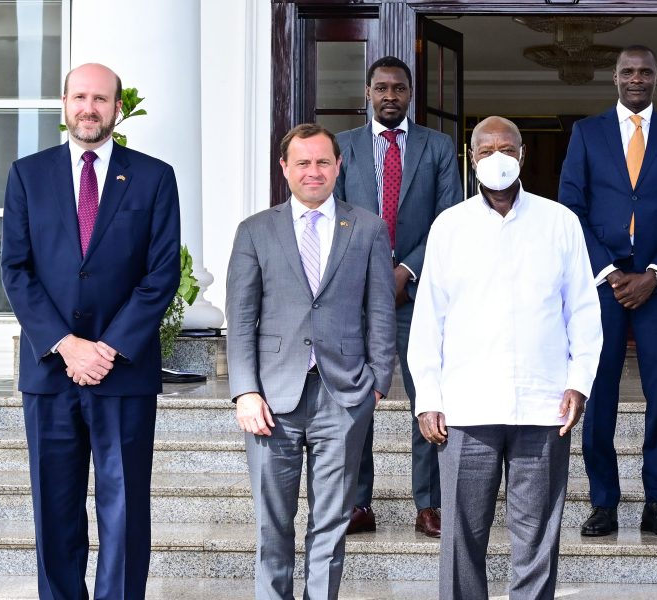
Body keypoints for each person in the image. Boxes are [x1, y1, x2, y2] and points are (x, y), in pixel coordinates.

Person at [1, 63, 181, 600]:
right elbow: (16, 269)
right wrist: (65, 344)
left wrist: (107, 348)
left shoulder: (153, 177)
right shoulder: (27, 175)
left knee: (124, 509)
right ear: (64, 104)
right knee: (54, 508)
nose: (89, 107)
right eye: (80, 96)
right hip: (51, 371)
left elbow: (161, 273)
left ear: (117, 108)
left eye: (101, 99)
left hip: (122, 372)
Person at [409, 116, 603, 599]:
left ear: (523, 155)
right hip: (467, 407)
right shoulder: (449, 226)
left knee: (536, 535)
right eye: (486, 149)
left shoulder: (559, 222)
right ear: (471, 159)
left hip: (543, 406)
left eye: (507, 148)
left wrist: (578, 383)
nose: (497, 157)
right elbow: (429, 319)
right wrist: (427, 397)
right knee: (461, 534)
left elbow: (582, 310)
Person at [226, 123, 397, 600]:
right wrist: (245, 391)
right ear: (285, 168)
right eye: (302, 162)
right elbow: (240, 320)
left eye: (323, 161)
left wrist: (377, 382)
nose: (313, 171)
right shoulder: (255, 231)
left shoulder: (366, 227)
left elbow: (381, 310)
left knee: (331, 524)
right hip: (270, 402)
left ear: (339, 166)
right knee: (272, 526)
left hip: (343, 398)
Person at [558, 44, 657, 538]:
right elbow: (570, 205)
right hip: (604, 287)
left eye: (644, 71)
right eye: (627, 72)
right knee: (600, 397)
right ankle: (604, 503)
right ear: (614, 78)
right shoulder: (587, 132)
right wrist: (608, 270)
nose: (636, 78)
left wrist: (656, 272)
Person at [333, 56, 463, 538]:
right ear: (367, 93)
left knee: (427, 397)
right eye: (382, 88)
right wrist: (373, 274)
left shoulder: (438, 147)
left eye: (399, 89)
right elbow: (336, 216)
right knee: (357, 400)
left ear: (411, 94)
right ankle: (356, 503)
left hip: (419, 296)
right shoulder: (341, 147)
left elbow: (449, 220)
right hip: (355, 297)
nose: (390, 96)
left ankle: (429, 503)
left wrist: (406, 269)